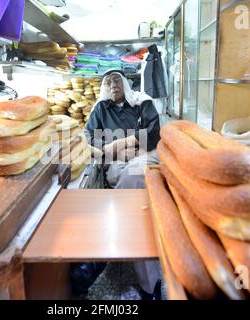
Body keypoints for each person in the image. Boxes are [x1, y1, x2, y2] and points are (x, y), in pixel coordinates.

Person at [70, 70, 162, 300]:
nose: (113, 84)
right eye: (108, 81)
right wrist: (119, 149)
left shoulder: (142, 103)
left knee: (132, 177)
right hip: (118, 161)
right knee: (137, 213)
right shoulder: (100, 109)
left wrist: (122, 143)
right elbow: (90, 138)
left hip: (147, 156)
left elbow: (153, 134)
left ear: (126, 84)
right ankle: (150, 286)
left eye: (117, 80)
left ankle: (100, 256)